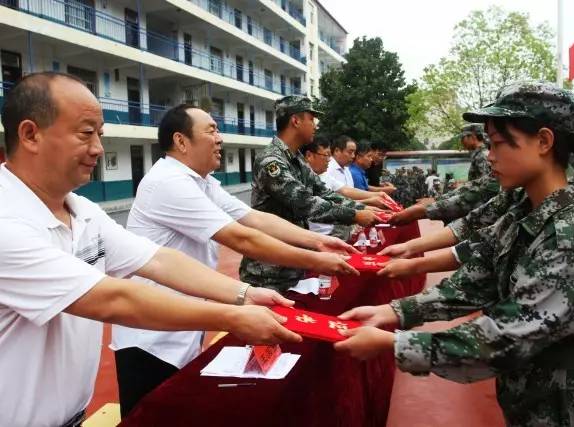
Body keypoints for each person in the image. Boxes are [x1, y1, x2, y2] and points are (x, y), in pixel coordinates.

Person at [0, 72, 301, 427]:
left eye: (100, 134)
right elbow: (113, 299)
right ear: (30, 134)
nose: (98, 148)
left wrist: (244, 293)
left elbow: (156, 259)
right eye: (85, 134)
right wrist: (232, 315)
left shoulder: (81, 210)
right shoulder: (8, 221)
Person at [334, 81, 574, 426]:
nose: (490, 155)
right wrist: (394, 311)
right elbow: (476, 278)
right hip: (531, 395)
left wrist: (394, 343)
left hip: (570, 408)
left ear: (544, 142)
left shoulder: (570, 233)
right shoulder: (525, 211)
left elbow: (509, 335)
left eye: (500, 143)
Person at [110, 105, 359, 416]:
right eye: (211, 130)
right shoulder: (168, 182)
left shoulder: (202, 182)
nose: (219, 138)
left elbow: (254, 219)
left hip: (184, 323)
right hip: (151, 339)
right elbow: (242, 238)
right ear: (181, 141)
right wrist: (316, 258)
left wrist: (318, 241)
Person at [239, 96, 377, 293]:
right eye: (311, 119)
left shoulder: (296, 159)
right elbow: (304, 203)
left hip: (293, 263)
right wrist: (354, 215)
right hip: (268, 270)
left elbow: (323, 191)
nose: (315, 125)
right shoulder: (272, 161)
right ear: (295, 121)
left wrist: (361, 208)